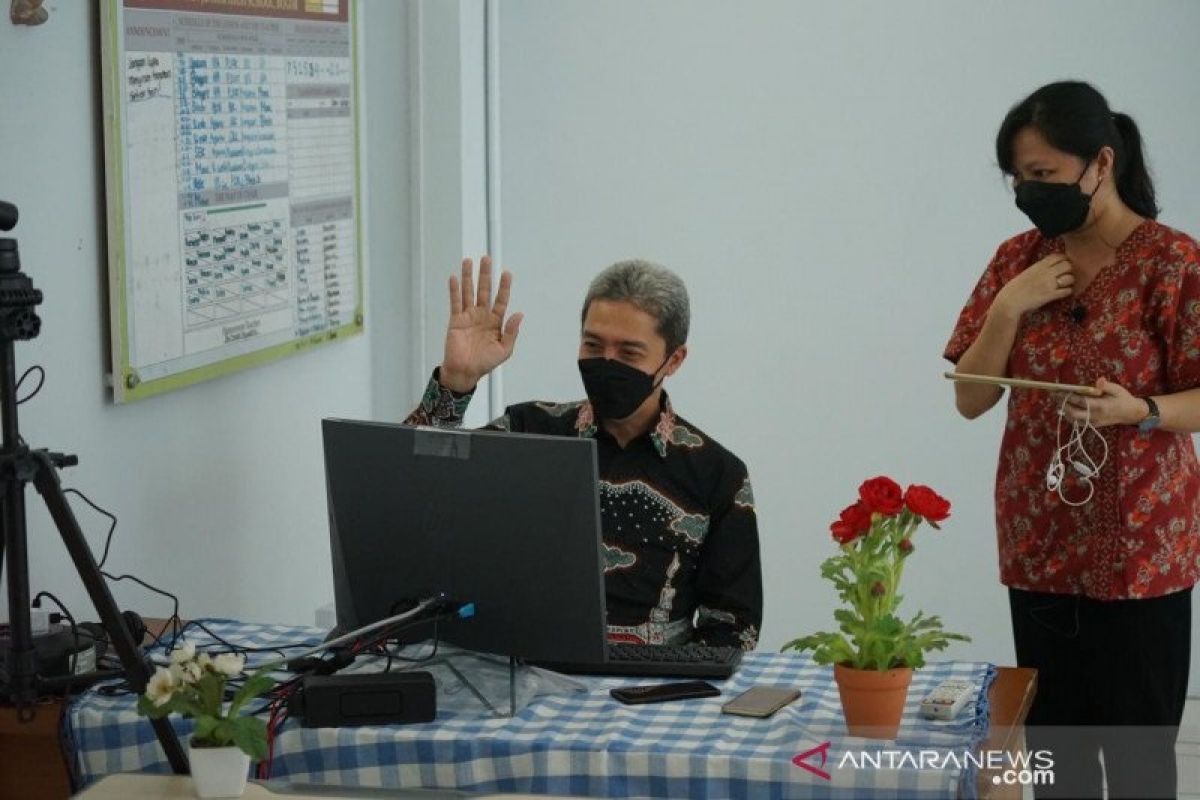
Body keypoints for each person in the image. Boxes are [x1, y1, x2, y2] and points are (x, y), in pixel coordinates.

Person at [945, 80, 1200, 799]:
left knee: (1139, 757)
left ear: (1101, 163)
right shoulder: (1016, 260)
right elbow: (970, 398)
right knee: (1055, 752)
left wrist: (1141, 409)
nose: (1029, 191)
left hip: (1144, 550)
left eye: (1044, 175)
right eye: (1020, 179)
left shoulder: (1171, 262)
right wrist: (1009, 307)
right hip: (1041, 540)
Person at [405, 256, 762, 650]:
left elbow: (733, 628)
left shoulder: (718, 474)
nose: (607, 363)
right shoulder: (527, 432)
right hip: (525, 669)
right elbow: (414, 488)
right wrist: (455, 384)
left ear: (673, 360)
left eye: (629, 353)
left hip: (653, 687)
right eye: (593, 345)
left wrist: (671, 684)